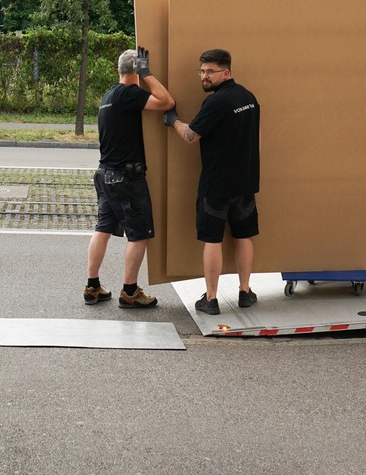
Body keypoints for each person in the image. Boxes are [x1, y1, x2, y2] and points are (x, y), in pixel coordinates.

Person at [163, 49, 260, 316]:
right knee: (243, 235)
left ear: (225, 73)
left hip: (217, 185)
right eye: (202, 71)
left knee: (213, 239)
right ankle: (245, 291)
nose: (204, 77)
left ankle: (212, 298)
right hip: (246, 182)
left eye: (210, 72)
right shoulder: (249, 98)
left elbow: (191, 136)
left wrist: (174, 120)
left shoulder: (216, 102)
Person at [85, 47, 175, 309]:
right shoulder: (129, 93)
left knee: (102, 229)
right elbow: (167, 102)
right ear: (134, 72)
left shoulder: (109, 95)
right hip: (125, 177)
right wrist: (146, 73)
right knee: (138, 235)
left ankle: (92, 287)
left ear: (118, 70)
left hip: (104, 175)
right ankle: (130, 292)